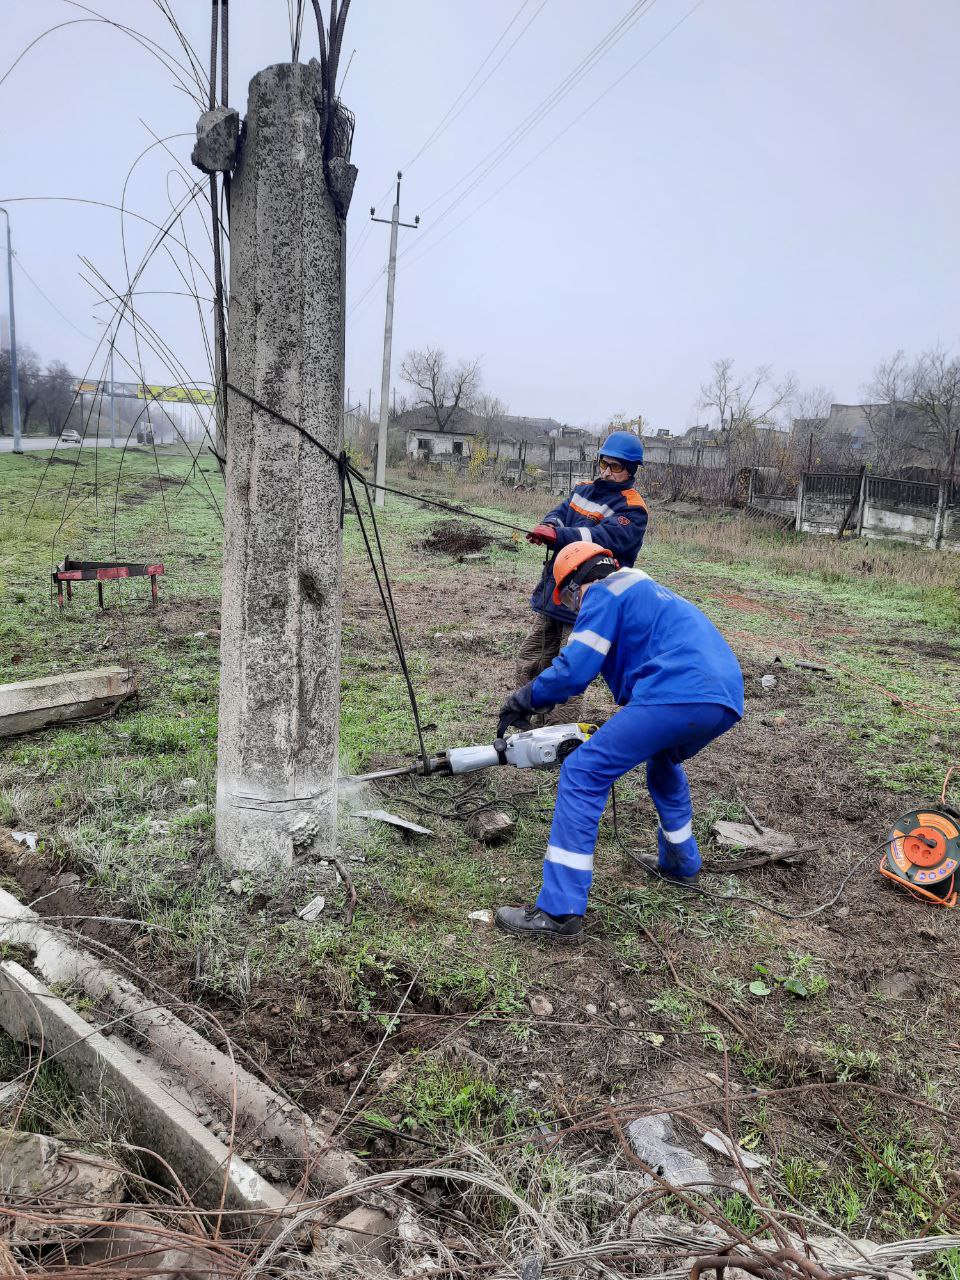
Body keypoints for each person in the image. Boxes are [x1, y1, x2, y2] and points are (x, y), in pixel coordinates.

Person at [495, 542, 744, 943]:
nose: (574, 609)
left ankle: (559, 911)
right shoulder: (647, 590)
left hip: (677, 692)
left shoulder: (603, 592)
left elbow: (574, 669)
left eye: (570, 600)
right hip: (725, 698)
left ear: (575, 585)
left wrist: (525, 698)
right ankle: (681, 864)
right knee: (664, 762)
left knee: (583, 771)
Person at [517, 432, 648, 722]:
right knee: (530, 659)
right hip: (555, 592)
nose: (607, 471)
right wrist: (548, 527)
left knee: (569, 671)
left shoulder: (633, 509)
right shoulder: (582, 490)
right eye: (604, 463)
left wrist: (559, 536)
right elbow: (559, 513)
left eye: (616, 466)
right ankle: (524, 718)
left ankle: (555, 734)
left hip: (587, 602)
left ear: (631, 470)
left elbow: (601, 538)